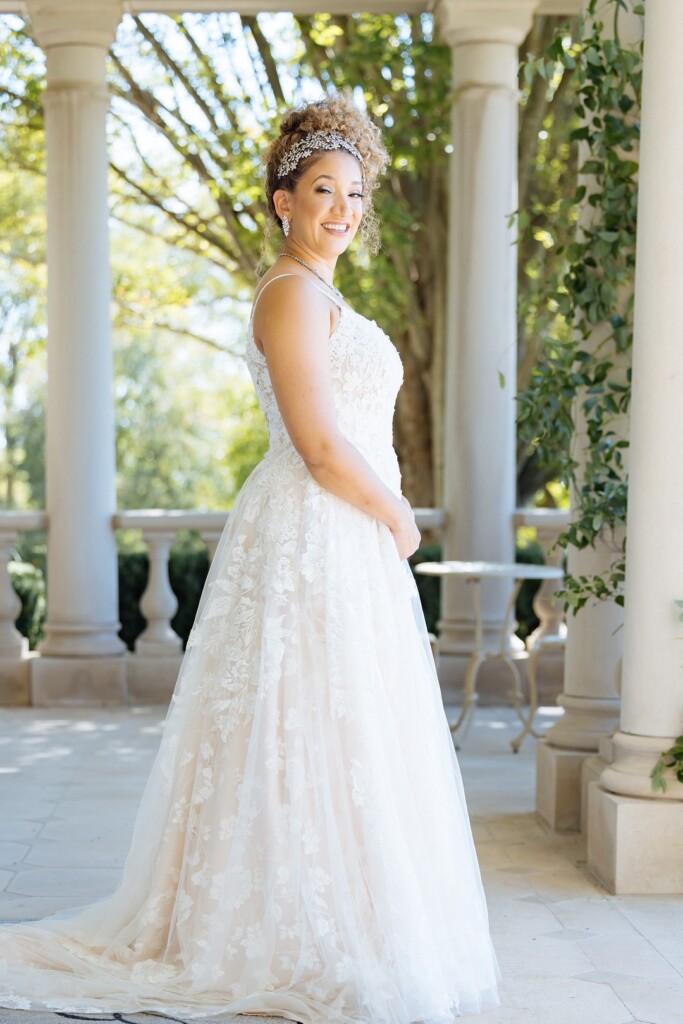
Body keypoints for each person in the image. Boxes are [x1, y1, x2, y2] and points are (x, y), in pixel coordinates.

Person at [0, 95, 500, 1023]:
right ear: (283, 199)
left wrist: (379, 520)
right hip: (313, 524)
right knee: (295, 729)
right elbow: (317, 441)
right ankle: (284, 932)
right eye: (322, 190)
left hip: (338, 534)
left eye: (354, 193)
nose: (343, 209)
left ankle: (345, 922)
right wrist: (398, 513)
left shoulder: (325, 292)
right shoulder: (289, 293)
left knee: (340, 732)